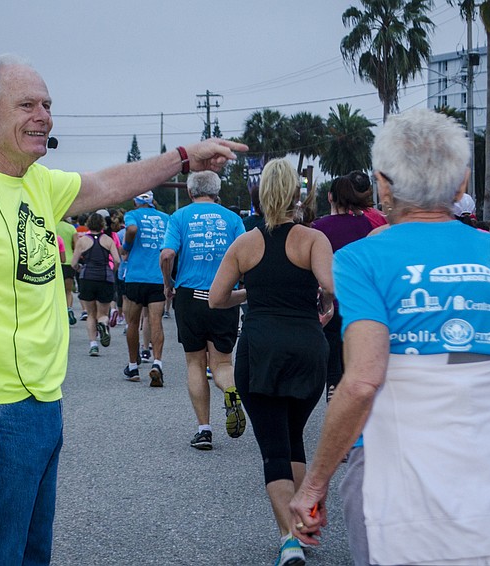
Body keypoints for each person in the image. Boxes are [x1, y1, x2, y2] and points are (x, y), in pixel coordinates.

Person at [0, 53, 245, 566]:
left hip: (39, 401)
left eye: (47, 104)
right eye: (26, 104)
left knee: (29, 556)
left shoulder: (36, 182)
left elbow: (109, 184)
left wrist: (182, 158)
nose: (43, 115)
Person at [289, 108, 490, 566]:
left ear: (383, 184)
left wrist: (314, 484)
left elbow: (362, 381)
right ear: (461, 184)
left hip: (389, 470)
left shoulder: (361, 259)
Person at [209, 158, 334, 566]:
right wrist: (323, 302)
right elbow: (332, 287)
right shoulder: (313, 239)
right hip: (306, 347)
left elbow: (216, 299)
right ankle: (304, 523)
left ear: (259, 195)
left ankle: (290, 540)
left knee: (273, 450)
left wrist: (255, 294)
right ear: (299, 195)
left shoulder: (245, 243)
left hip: (261, 348)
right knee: (294, 437)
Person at [160, 171, 246, 450]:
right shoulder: (233, 219)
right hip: (224, 296)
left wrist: (168, 283)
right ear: (217, 191)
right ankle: (231, 391)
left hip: (190, 296)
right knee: (222, 363)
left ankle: (204, 430)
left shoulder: (179, 217)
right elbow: (246, 255)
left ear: (189, 191)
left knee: (195, 363)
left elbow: (167, 254)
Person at [311, 176, 373, 403]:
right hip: (358, 301)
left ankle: (334, 389)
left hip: (330, 301)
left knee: (332, 355)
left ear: (330, 197)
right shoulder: (364, 225)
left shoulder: (319, 227)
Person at [121, 191, 169, 385]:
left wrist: (127, 246)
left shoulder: (132, 215)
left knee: (133, 322)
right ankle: (157, 363)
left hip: (136, 276)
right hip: (157, 276)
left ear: (135, 201)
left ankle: (133, 367)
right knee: (156, 321)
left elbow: (131, 230)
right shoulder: (166, 218)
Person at [71, 212, 120, 356]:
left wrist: (81, 268)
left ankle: (93, 345)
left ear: (88, 224)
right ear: (103, 225)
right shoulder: (108, 240)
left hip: (87, 278)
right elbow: (117, 260)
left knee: (91, 313)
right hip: (105, 277)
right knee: (103, 313)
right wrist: (112, 271)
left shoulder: (83, 241)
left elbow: (74, 263)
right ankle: (103, 324)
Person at [56, 216, 78, 324]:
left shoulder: (52, 225)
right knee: (68, 291)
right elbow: (76, 244)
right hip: (69, 261)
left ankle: (58, 312)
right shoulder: (71, 228)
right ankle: (68, 308)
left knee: (56, 290)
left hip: (55, 262)